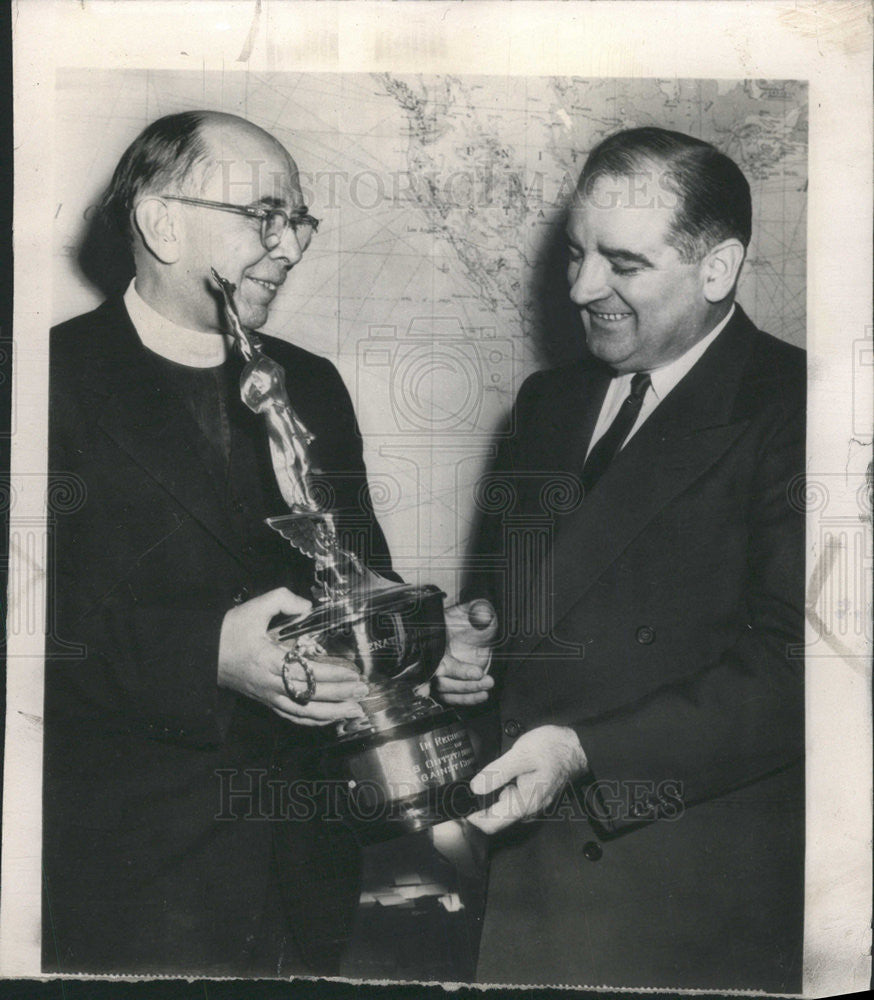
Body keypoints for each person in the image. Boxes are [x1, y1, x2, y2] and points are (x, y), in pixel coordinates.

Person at [435, 127, 806, 991]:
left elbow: (800, 671)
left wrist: (585, 752)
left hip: (676, 890)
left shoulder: (802, 409)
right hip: (518, 867)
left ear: (717, 270)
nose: (579, 288)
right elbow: (506, 609)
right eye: (575, 253)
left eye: (623, 264)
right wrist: (465, 650)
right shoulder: (547, 401)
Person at [43, 111, 395, 976]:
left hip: (308, 866)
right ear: (162, 222)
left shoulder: (312, 382)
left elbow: (356, 570)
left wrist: (414, 629)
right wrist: (207, 652)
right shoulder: (43, 377)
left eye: (298, 222)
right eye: (264, 217)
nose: (290, 248)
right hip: (129, 879)